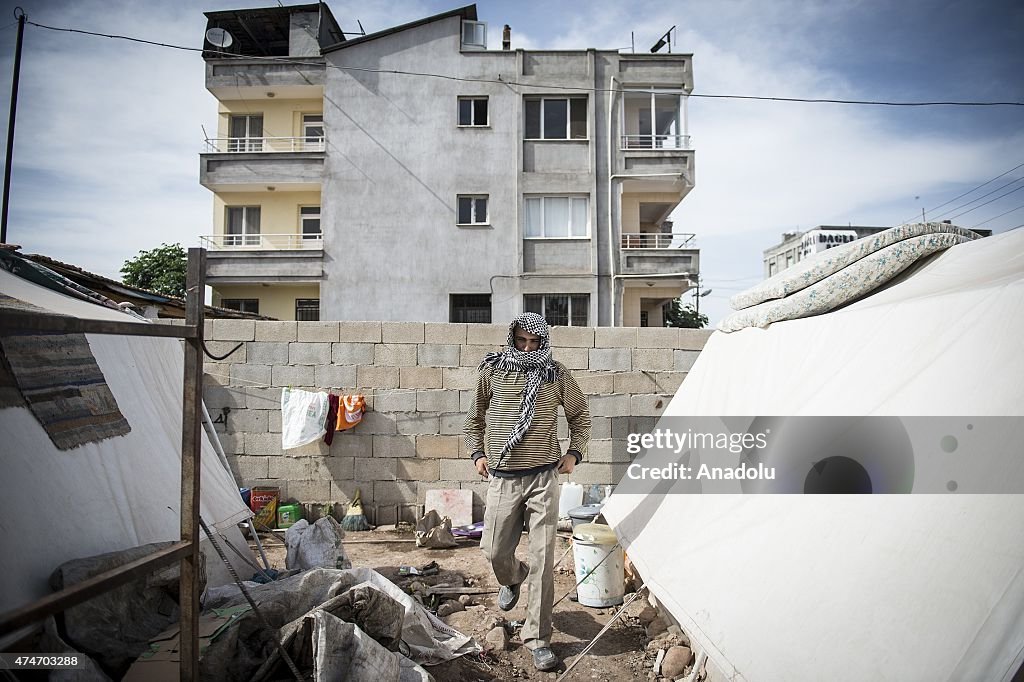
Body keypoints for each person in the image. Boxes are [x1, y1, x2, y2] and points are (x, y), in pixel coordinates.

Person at [464, 312, 591, 672]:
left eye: (535, 342)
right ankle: (512, 577)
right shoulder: (493, 370)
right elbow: (474, 417)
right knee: (493, 549)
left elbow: (581, 416)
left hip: (543, 479)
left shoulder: (556, 374)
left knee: (543, 560)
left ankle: (538, 640)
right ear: (512, 338)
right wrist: (477, 453)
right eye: (522, 340)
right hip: (503, 477)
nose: (528, 347)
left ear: (544, 342)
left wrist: (573, 452)